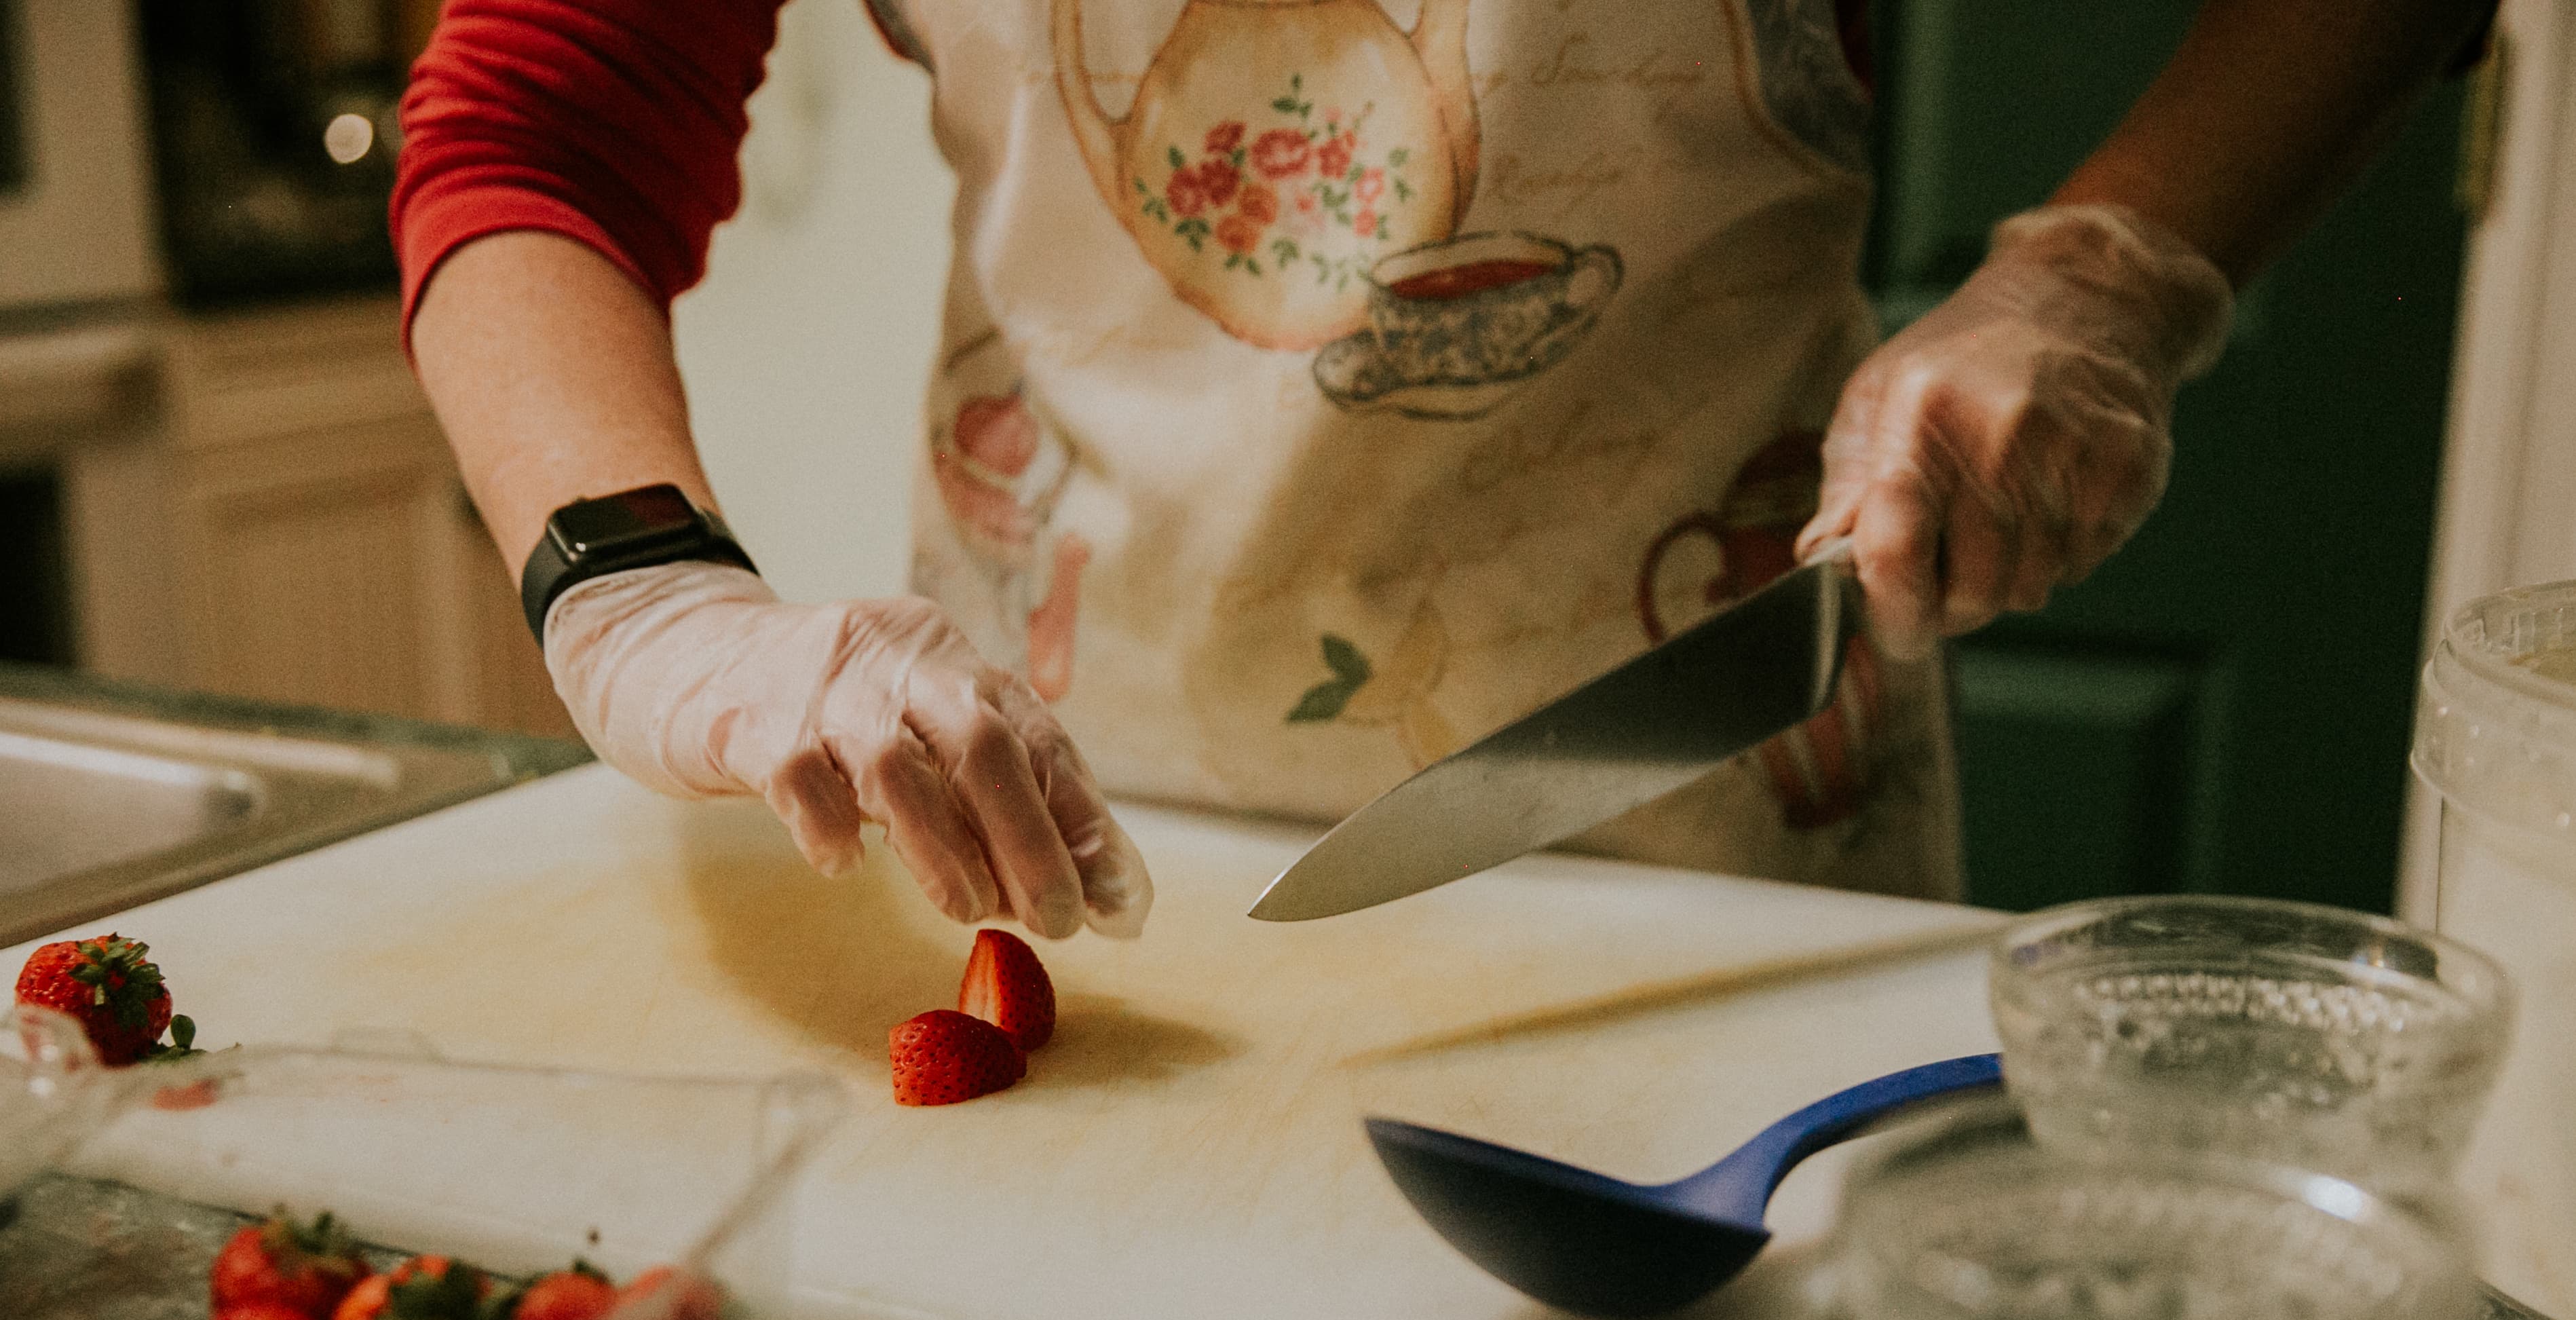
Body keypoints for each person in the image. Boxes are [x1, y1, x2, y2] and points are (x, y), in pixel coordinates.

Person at [393, 0, 2489, 941]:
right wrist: (637, 586)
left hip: (1703, 831)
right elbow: (541, 131)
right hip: (1052, 811)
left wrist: (2098, 275)